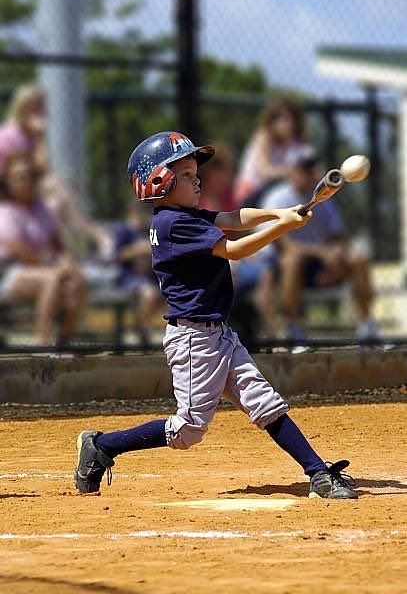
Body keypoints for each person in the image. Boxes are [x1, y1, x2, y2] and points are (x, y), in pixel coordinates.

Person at [74, 131, 358, 500]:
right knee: (187, 429)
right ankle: (103, 446)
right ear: (161, 181)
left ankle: (318, 473)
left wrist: (278, 212)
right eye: (188, 174)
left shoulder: (185, 215)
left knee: (265, 403)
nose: (198, 180)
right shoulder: (171, 223)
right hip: (194, 341)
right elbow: (234, 249)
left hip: (218, 334)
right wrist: (283, 227)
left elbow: (233, 218)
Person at [255, 145, 379, 341]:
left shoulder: (325, 199)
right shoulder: (277, 197)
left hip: (319, 265)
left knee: (358, 259)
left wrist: (336, 257)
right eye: (303, 167)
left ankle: (368, 326)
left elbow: (338, 237)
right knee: (292, 260)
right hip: (282, 268)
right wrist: (323, 253)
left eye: (311, 166)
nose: (308, 172)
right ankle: (293, 329)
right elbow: (282, 245)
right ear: (291, 171)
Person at [0, 84, 109, 254]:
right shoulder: (11, 134)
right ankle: (96, 235)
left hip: (29, 189)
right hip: (9, 191)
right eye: (33, 107)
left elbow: (40, 170)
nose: (38, 112)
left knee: (56, 201)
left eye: (40, 107)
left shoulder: (31, 136)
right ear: (21, 109)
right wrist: (40, 136)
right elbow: (32, 172)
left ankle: (67, 251)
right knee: (54, 186)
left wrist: (40, 137)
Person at [0, 152, 87, 345]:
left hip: (44, 268)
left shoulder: (41, 208)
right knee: (53, 278)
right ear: (8, 182)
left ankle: (63, 342)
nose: (28, 181)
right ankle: (43, 344)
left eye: (30, 175)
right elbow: (18, 250)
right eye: (21, 177)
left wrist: (67, 263)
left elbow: (56, 244)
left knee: (77, 282)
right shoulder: (6, 211)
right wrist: (54, 268)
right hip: (9, 272)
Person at [234, 97, 306, 206]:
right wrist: (291, 172)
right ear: (273, 121)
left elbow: (312, 170)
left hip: (278, 193)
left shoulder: (295, 143)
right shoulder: (263, 137)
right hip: (252, 193)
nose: (290, 124)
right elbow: (266, 171)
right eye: (285, 119)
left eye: (293, 120)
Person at [113, 200, 163, 344]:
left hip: (152, 277)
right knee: (149, 294)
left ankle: (141, 326)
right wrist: (137, 249)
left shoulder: (150, 230)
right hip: (130, 278)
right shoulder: (124, 231)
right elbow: (117, 255)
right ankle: (141, 329)